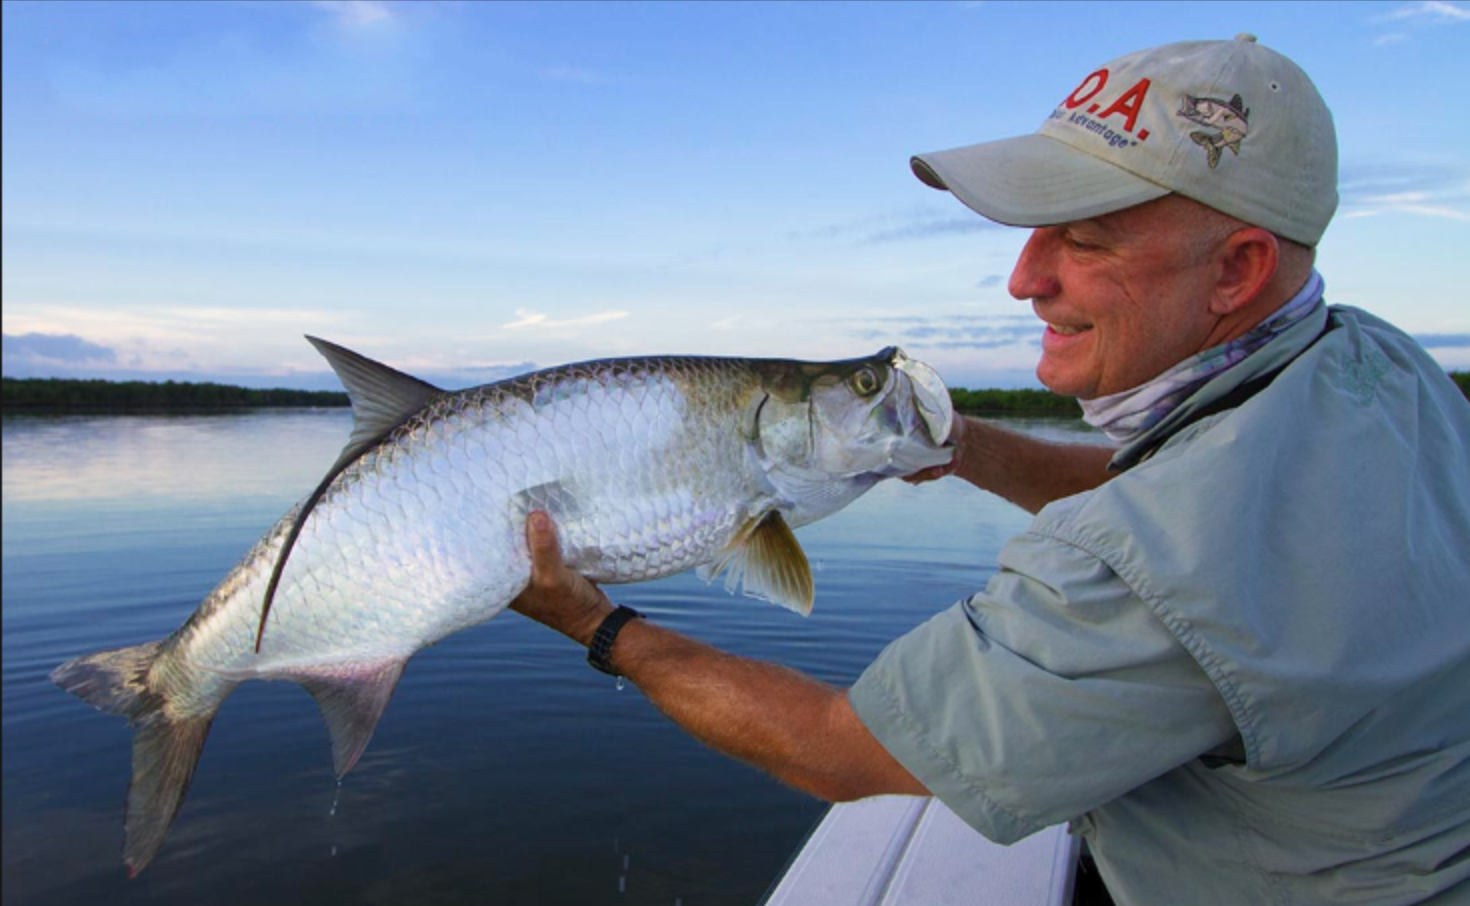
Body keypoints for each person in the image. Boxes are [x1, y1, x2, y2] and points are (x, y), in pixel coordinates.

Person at [511, 35, 1470, 905]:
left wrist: (598, 625)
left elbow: (843, 752)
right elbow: (1181, 507)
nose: (1024, 278)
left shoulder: (1144, 570)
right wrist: (965, 445)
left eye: (1084, 239)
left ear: (1236, 270)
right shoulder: (1373, 365)